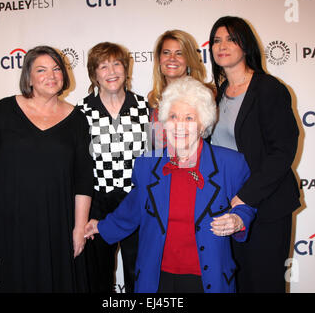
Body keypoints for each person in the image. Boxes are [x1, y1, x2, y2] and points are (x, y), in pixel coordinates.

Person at [84, 76, 256, 293]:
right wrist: (100, 226)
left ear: (203, 123)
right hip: (157, 278)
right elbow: (133, 208)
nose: (180, 126)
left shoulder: (231, 164)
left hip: (207, 279)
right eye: (173, 116)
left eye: (189, 118)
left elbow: (247, 204)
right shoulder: (146, 165)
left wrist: (239, 219)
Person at [0, 45, 93, 293]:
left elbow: (83, 179)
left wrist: (79, 228)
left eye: (56, 69)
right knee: (0, 281)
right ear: (28, 76)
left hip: (55, 224)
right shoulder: (2, 111)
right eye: (41, 70)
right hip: (4, 221)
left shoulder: (77, 119)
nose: (51, 75)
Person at [209, 16, 300, 293]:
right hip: (228, 208)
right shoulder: (217, 94)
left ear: (246, 45)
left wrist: (246, 196)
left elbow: (283, 151)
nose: (222, 45)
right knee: (235, 284)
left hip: (266, 207)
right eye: (216, 40)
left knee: (263, 284)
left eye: (231, 39)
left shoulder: (269, 89)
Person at [77, 42, 150, 293]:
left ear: (126, 69)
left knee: (136, 270)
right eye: (103, 66)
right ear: (93, 74)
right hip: (97, 200)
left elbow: (153, 156)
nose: (111, 71)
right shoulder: (81, 112)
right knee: (98, 273)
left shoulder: (144, 108)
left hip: (135, 199)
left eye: (116, 63)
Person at [148, 29, 214, 149]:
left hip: (194, 166)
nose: (172, 58)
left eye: (179, 53)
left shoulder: (206, 95)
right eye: (166, 52)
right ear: (159, 59)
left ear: (189, 59)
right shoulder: (153, 98)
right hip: (160, 165)